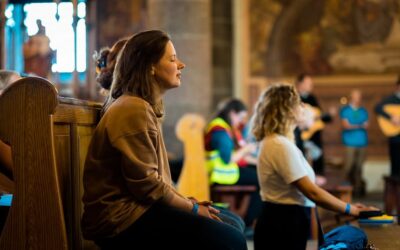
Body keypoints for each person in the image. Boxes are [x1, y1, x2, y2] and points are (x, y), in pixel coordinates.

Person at [81, 30, 247, 250]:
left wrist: (189, 203)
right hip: (122, 220)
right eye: (172, 58)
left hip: (138, 209)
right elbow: (148, 186)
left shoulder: (138, 105)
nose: (181, 65)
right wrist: (193, 209)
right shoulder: (132, 108)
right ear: (150, 66)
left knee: (233, 222)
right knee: (231, 239)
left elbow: (153, 181)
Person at [251, 83, 377, 250]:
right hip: (282, 223)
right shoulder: (278, 144)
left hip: (288, 220)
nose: (304, 107)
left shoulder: (280, 142)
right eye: (299, 103)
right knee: (354, 237)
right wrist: (351, 209)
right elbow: (312, 192)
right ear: (288, 109)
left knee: (350, 234)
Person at [204, 98, 262, 229]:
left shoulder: (224, 128)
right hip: (222, 175)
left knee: (259, 176)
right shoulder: (219, 129)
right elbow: (228, 159)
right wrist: (246, 149)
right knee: (262, 180)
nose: (241, 122)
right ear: (232, 113)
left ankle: (248, 221)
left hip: (227, 172)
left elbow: (238, 157)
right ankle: (248, 224)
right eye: (240, 117)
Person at [296, 73, 335, 177]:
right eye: (308, 83)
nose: (311, 85)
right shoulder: (294, 97)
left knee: (317, 164)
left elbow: (319, 116)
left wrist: (329, 116)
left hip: (314, 137)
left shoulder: (312, 98)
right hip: (300, 136)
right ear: (300, 83)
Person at [340, 89, 368, 196]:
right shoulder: (345, 110)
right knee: (348, 166)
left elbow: (366, 125)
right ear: (351, 97)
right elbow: (346, 125)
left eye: (359, 96)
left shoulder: (363, 111)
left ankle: (357, 191)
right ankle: (344, 190)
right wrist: (360, 125)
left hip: (362, 142)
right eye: (356, 96)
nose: (358, 98)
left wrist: (354, 125)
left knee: (359, 167)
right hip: (350, 142)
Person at [375, 76, 400, 177]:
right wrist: (391, 117)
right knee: (395, 160)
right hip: (394, 135)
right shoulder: (390, 99)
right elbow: (377, 108)